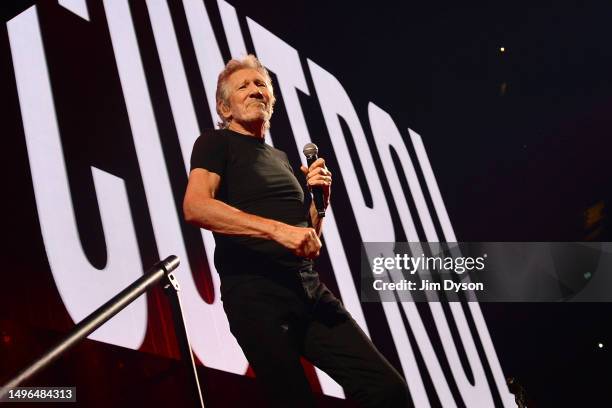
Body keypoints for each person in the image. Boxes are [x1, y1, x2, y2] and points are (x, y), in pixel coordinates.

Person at [183, 55, 410, 408]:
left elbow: (307, 237)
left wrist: (320, 203)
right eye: (243, 86)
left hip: (307, 289)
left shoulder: (282, 158)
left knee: (388, 390)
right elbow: (195, 206)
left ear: (271, 102)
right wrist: (277, 231)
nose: (255, 90)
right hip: (255, 294)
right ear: (225, 108)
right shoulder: (216, 143)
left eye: (261, 85)